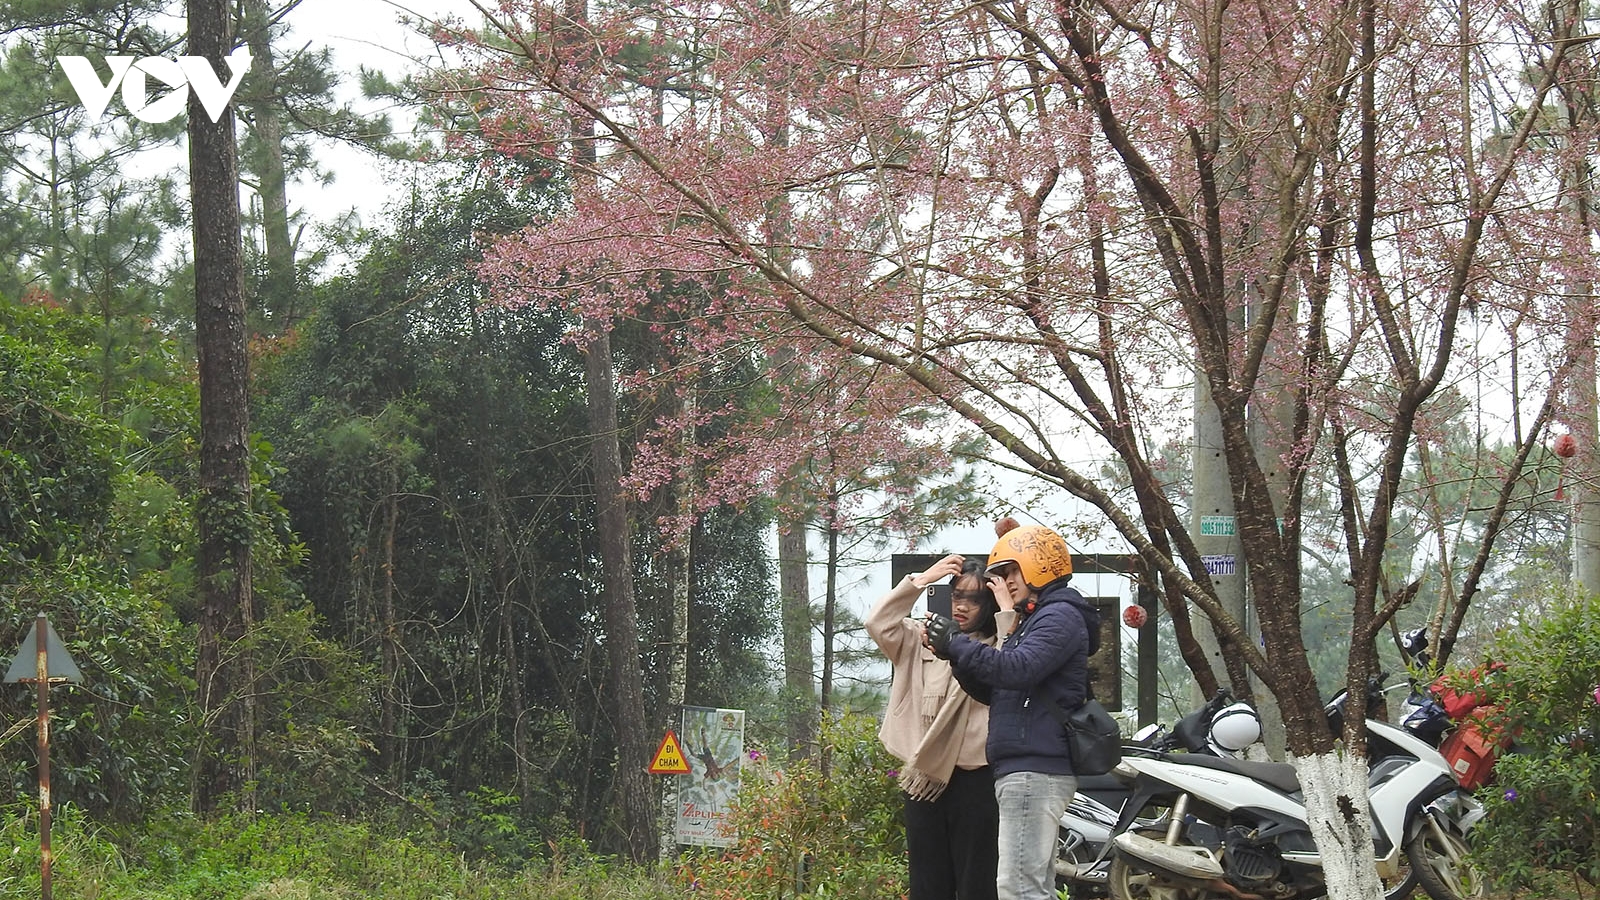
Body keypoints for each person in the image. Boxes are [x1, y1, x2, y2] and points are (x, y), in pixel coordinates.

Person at [925, 522, 1100, 900]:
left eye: (1010, 570)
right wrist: (953, 655)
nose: (1003, 582)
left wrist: (956, 644)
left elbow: (1017, 669)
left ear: (1038, 564)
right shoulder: (1039, 618)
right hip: (1025, 766)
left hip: (1035, 766)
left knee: (1020, 888)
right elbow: (996, 689)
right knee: (1029, 886)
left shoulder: (1059, 616)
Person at [866, 553, 1007, 900]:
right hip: (924, 777)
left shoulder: (998, 651)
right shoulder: (920, 639)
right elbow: (878, 623)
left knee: (979, 882)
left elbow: (1012, 670)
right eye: (958, 595)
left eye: (975, 599)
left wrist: (1006, 611)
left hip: (978, 780)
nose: (963, 605)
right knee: (927, 884)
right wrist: (921, 579)